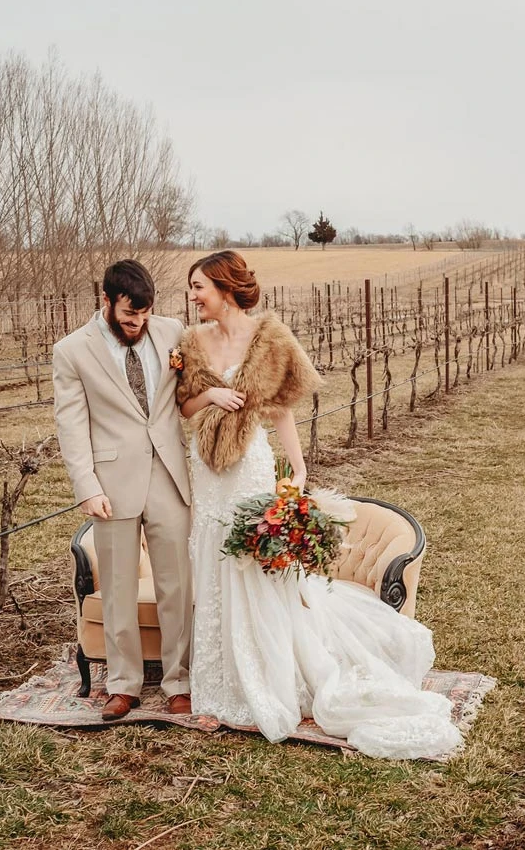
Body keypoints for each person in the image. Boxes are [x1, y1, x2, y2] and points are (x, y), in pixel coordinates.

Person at [176, 250, 462, 759]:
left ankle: (271, 675)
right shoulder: (192, 341)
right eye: (191, 287)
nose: (193, 295)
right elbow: (184, 405)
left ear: (225, 287)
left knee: (257, 565)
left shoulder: (268, 338)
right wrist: (211, 400)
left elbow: (282, 409)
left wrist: (299, 470)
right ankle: (220, 683)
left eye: (199, 286)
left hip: (250, 467)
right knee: (213, 559)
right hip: (208, 471)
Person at [53, 259, 193, 721]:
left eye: (146, 316)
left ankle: (179, 680)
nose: (139, 324)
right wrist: (86, 487)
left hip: (169, 475)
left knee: (177, 582)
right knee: (116, 586)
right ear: (108, 301)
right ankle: (123, 684)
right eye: (131, 316)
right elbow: (71, 426)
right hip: (110, 484)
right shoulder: (72, 351)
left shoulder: (173, 332)